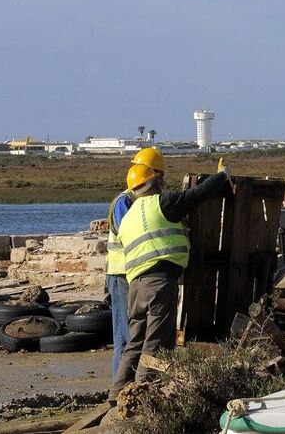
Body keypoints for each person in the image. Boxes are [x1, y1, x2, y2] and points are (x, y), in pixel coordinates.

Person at [109, 160, 230, 400]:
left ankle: (117, 391)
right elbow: (197, 194)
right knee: (157, 340)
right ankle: (143, 392)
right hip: (159, 281)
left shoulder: (129, 216)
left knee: (135, 340)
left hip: (135, 285)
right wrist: (222, 175)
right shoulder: (162, 203)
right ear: (153, 183)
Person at [104, 148, 166, 380]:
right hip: (122, 273)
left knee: (138, 334)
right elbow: (129, 233)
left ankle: (133, 384)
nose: (161, 180)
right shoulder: (125, 201)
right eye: (158, 175)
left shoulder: (141, 201)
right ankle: (120, 389)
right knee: (125, 336)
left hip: (136, 273)